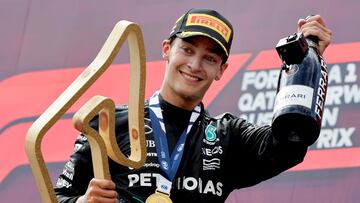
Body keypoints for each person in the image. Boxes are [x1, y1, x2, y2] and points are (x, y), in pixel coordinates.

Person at [54, 8, 332, 203]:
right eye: (187, 50)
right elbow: (57, 196)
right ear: (166, 49)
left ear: (221, 69)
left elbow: (287, 144)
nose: (195, 66)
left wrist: (305, 60)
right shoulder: (110, 122)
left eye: (210, 58)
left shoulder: (228, 136)